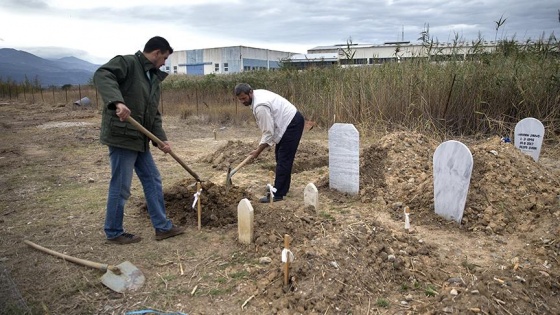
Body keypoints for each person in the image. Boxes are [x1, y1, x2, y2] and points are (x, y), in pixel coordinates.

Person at [94, 36, 185, 244]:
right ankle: (114, 231)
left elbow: (153, 114)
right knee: (122, 185)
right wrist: (117, 101)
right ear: (156, 53)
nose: (164, 63)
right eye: (164, 58)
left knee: (153, 179)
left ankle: (162, 227)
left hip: (140, 140)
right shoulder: (128, 63)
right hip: (123, 136)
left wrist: (161, 140)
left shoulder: (153, 79)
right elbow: (102, 74)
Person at [234, 83, 305, 203]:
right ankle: (282, 188)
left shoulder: (260, 106)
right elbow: (270, 130)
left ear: (250, 93)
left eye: (244, 98)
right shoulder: (257, 96)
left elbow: (268, 132)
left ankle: (277, 194)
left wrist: (258, 151)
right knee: (281, 158)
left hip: (292, 123)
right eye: (240, 99)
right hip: (286, 123)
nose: (242, 101)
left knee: (283, 159)